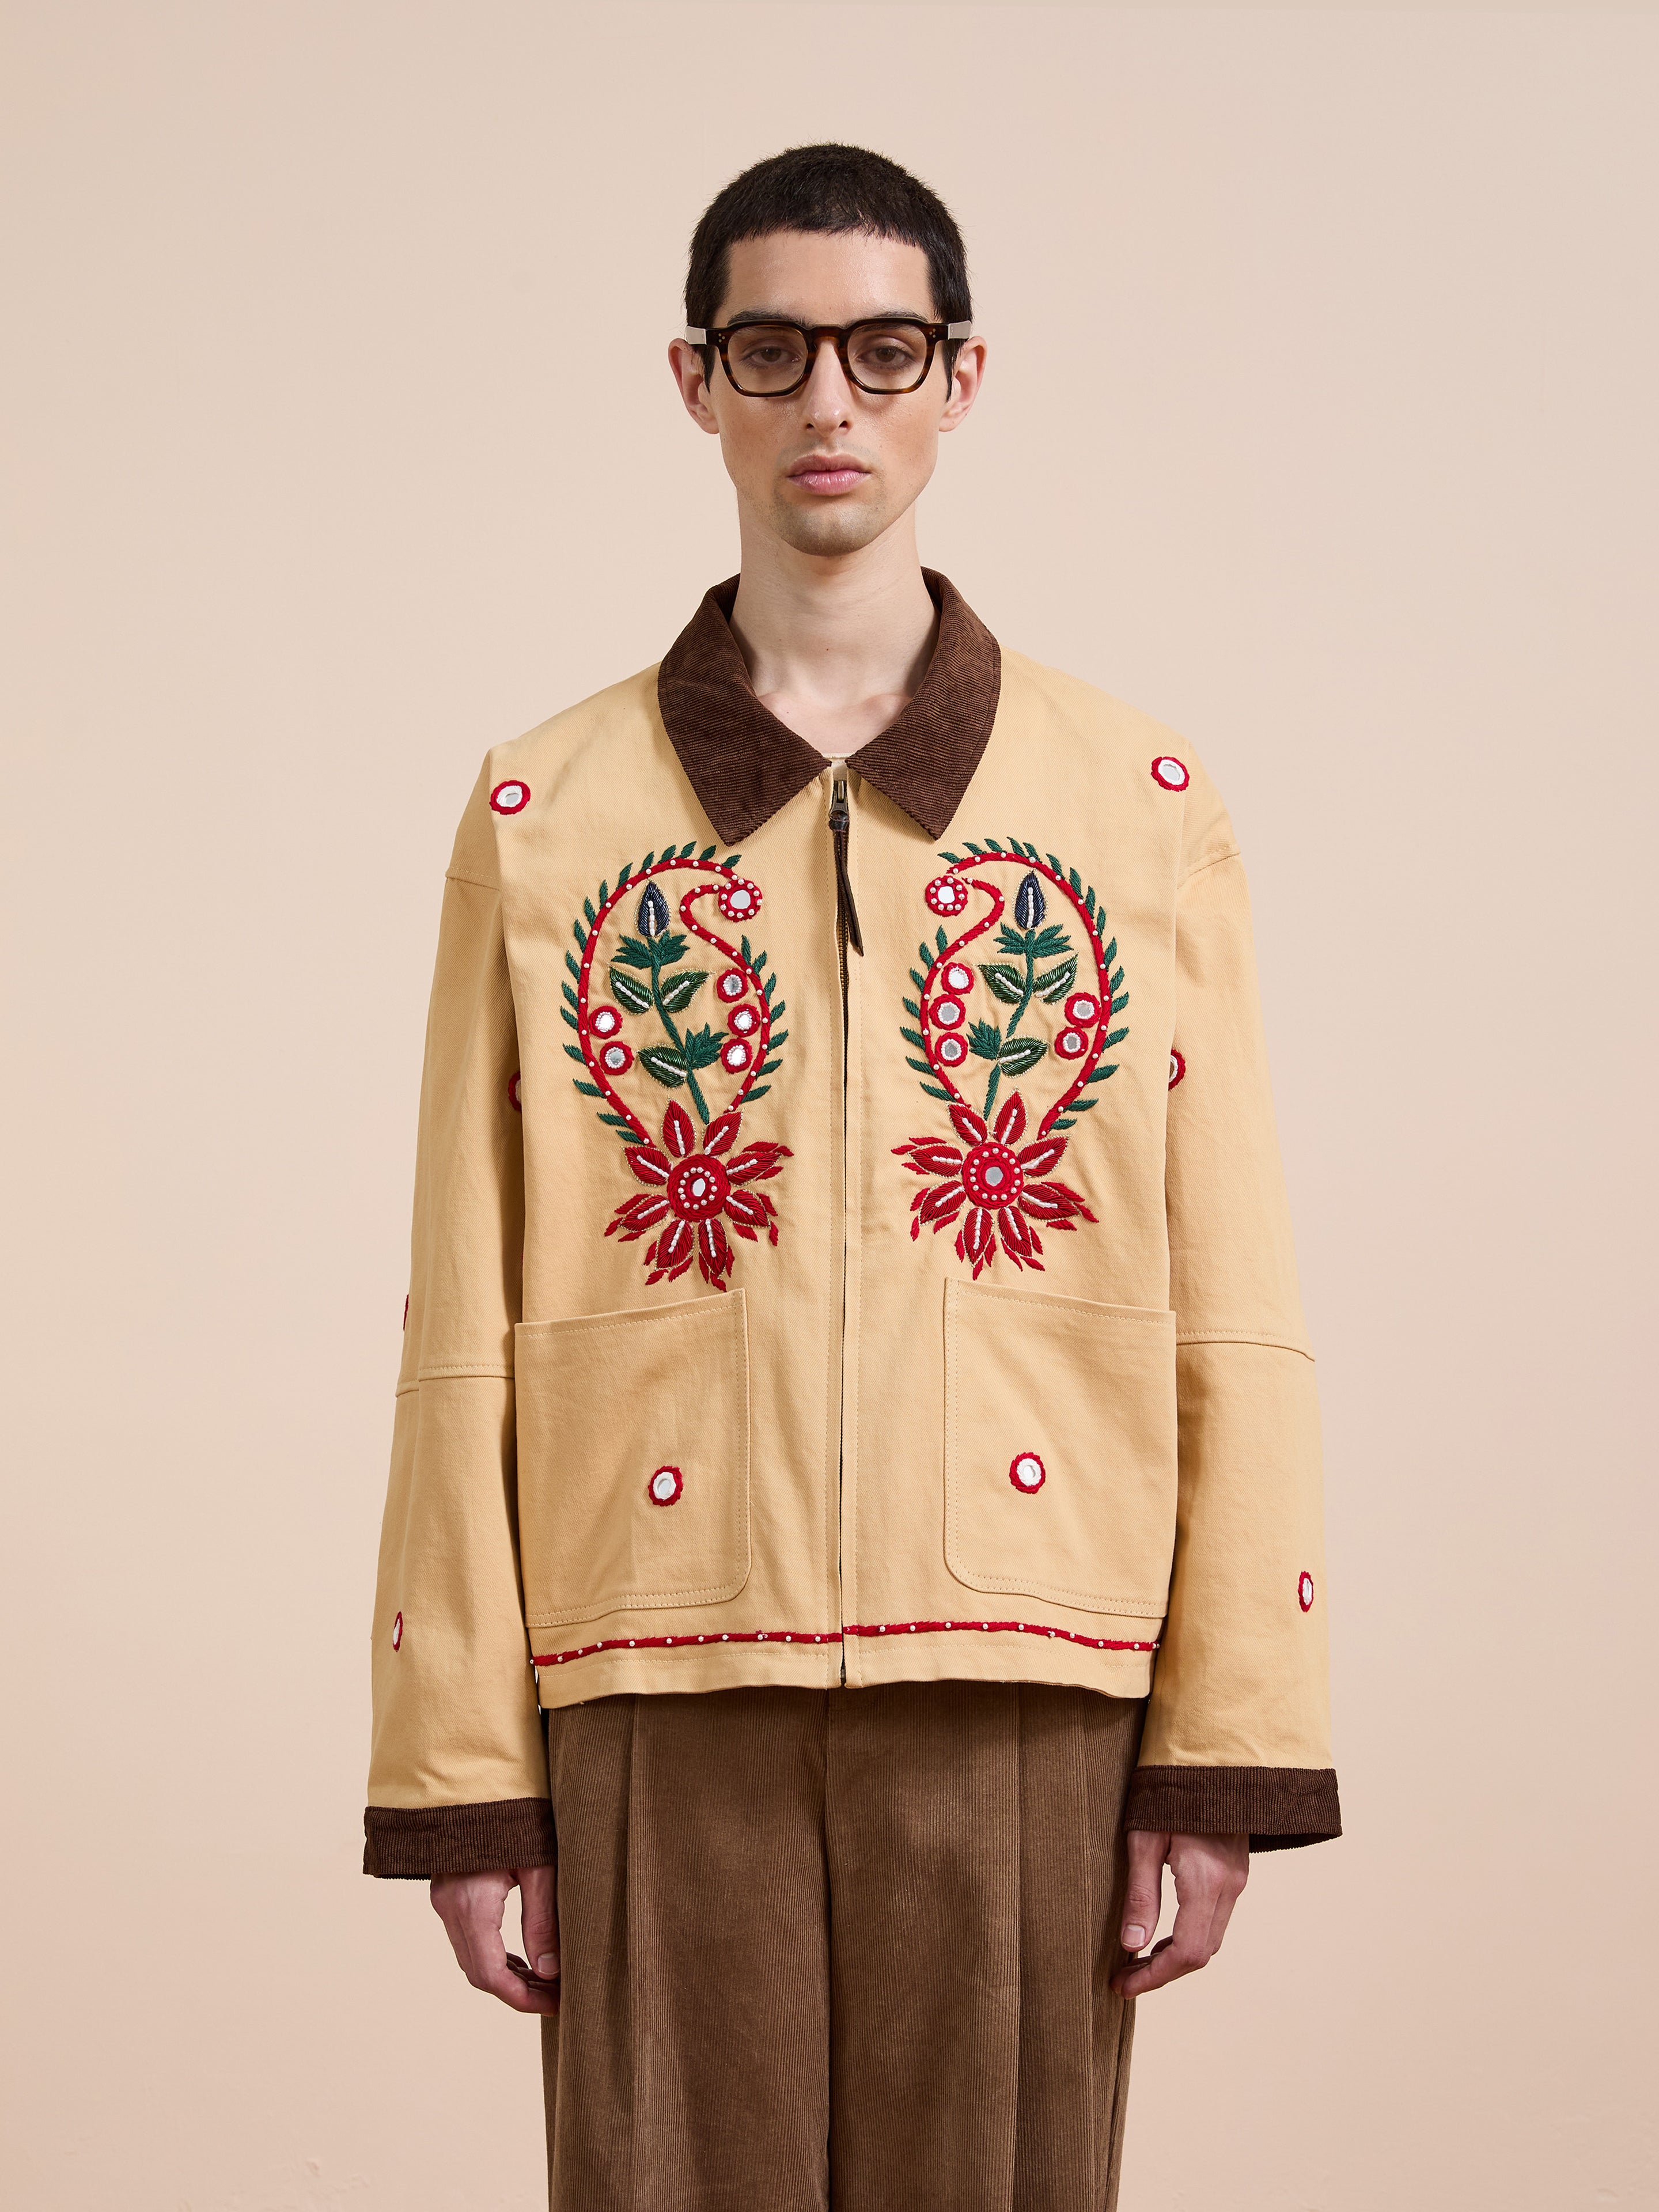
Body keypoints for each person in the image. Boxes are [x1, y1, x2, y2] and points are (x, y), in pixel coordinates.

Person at [363, 142, 1339, 2212]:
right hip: (648, 1671)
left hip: (1028, 1672)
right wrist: (466, 1778)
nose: (829, 403)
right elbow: (465, 1314)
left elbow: (1233, 1303)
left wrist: (1221, 1742)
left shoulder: (1136, 810)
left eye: (882, 351)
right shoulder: (549, 813)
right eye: (775, 348)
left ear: (961, 378)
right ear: (693, 379)